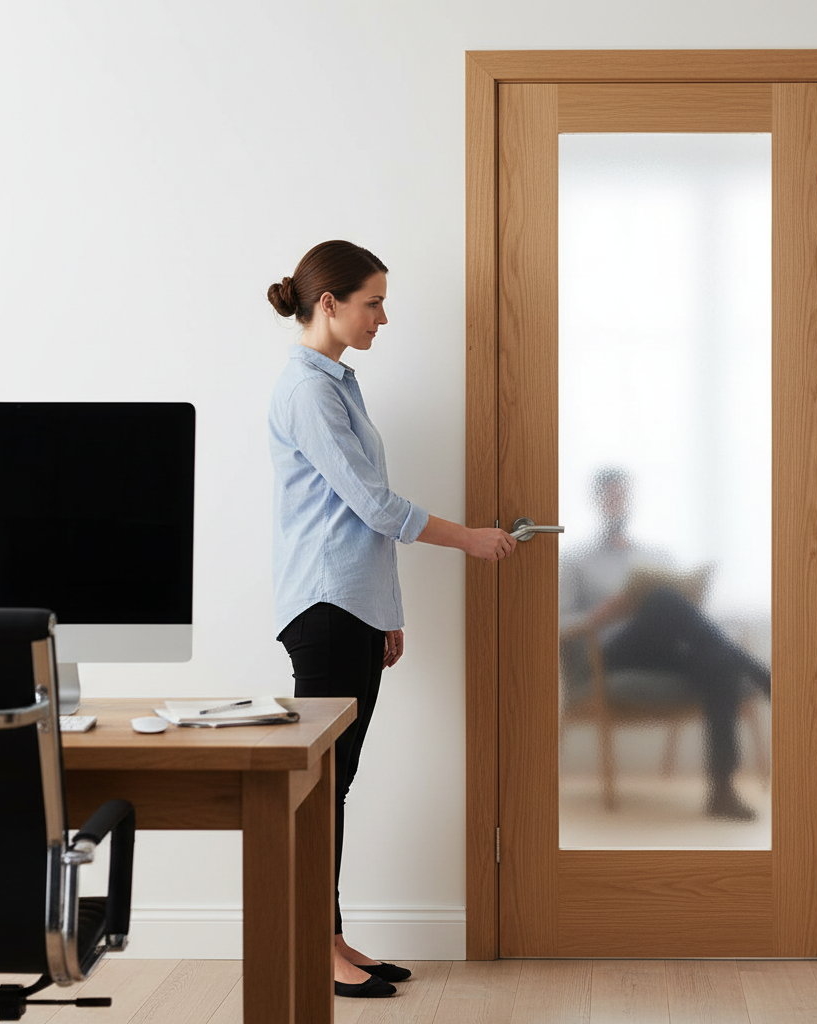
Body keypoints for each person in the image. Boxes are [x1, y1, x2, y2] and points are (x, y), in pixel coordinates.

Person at [266, 240, 516, 999]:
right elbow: (376, 506)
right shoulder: (310, 392)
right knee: (322, 786)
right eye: (372, 302)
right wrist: (470, 539)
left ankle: (332, 935)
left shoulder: (337, 384)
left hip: (352, 608)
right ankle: (316, 944)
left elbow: (358, 513)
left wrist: (386, 615)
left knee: (332, 784)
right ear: (330, 304)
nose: (384, 316)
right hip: (325, 607)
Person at [560, 467, 770, 822]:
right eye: (610, 495)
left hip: (663, 650)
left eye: (622, 495)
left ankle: (722, 790)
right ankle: (757, 671)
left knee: (718, 662)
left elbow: (690, 618)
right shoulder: (577, 561)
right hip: (613, 654)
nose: (617, 501)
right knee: (660, 600)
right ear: (598, 501)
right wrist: (603, 613)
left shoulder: (657, 556)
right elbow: (560, 624)